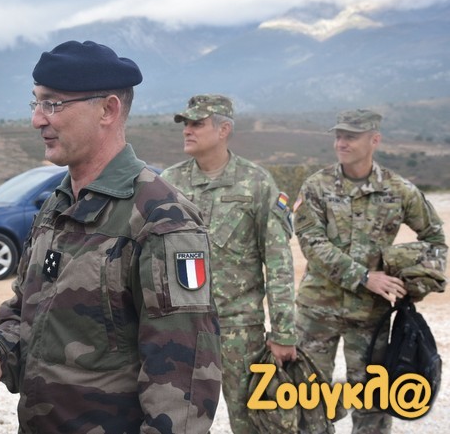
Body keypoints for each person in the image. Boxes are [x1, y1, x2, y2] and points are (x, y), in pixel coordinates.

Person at [0, 40, 222, 434]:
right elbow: (28, 313)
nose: (37, 119)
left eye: (53, 104)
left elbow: (184, 380)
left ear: (108, 109)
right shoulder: (56, 206)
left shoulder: (161, 218)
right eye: (36, 103)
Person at [293, 108, 447, 433]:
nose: (341, 142)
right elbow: (312, 244)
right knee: (309, 398)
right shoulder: (316, 186)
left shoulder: (399, 190)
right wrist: (365, 277)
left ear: (374, 140)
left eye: (351, 136)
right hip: (316, 311)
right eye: (338, 135)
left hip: (370, 316)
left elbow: (435, 241)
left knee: (371, 403)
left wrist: (407, 277)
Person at [160, 94, 298, 434]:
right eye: (185, 124)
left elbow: (278, 262)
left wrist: (283, 333)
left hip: (240, 331)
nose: (187, 130)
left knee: (253, 423)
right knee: (177, 424)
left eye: (197, 123)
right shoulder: (169, 184)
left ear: (224, 130)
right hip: (182, 330)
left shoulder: (256, 183)